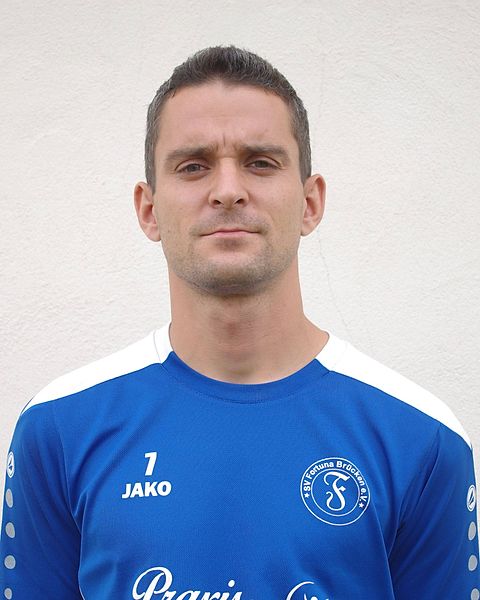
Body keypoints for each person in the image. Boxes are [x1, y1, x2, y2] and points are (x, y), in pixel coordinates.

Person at [0, 45, 478, 600]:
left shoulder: (423, 438)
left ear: (310, 202)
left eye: (260, 162)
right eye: (193, 166)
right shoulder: (58, 428)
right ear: (149, 210)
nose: (228, 190)